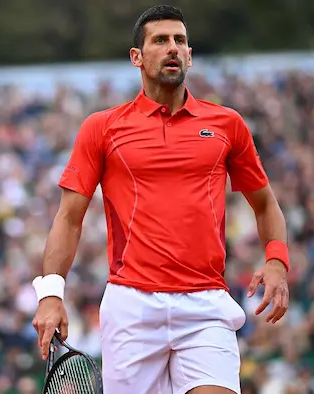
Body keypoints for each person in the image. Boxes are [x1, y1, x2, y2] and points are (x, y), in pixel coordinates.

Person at [32, 5, 290, 394]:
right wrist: (51, 294)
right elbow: (69, 218)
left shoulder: (227, 124)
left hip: (206, 305)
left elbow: (265, 203)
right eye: (160, 40)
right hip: (131, 308)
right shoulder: (101, 128)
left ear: (189, 54)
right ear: (137, 57)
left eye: (180, 41)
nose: (173, 48)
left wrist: (276, 261)